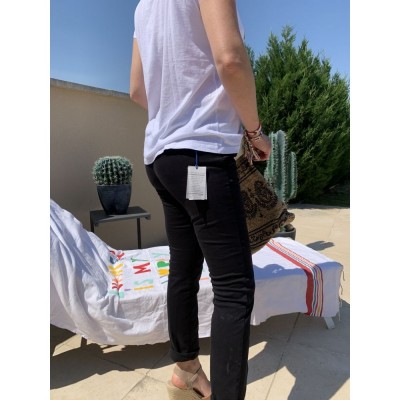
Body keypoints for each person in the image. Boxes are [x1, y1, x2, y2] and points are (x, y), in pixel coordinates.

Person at [130, 1, 271, 399]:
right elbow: (230, 59)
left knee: (184, 268)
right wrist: (254, 131)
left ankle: (186, 372)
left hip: (161, 159)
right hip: (200, 156)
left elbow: (137, 90)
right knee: (234, 288)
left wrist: (176, 110)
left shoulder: (143, 7)